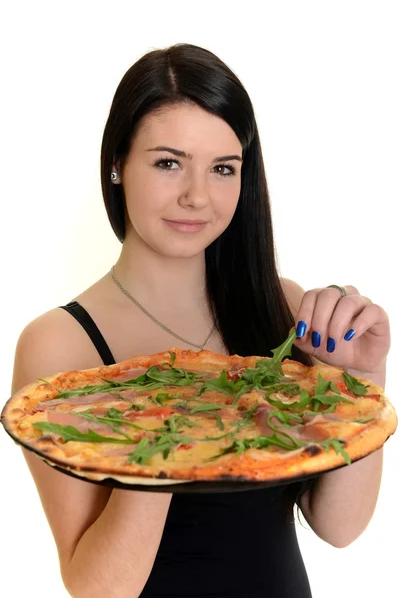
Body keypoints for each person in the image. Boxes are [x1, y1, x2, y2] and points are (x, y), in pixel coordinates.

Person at [11, 43, 390, 598]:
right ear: (116, 163)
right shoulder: (60, 344)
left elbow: (341, 528)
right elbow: (97, 587)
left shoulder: (281, 308)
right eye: (169, 163)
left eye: (222, 169)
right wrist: (168, 428)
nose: (196, 196)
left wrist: (360, 381)